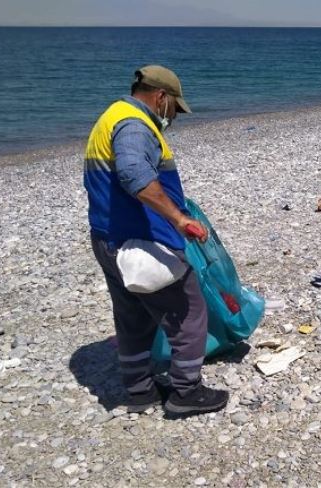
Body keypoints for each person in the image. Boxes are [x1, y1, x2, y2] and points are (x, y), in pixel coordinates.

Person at [83, 65, 228, 417]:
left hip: (107, 238)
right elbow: (135, 175)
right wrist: (178, 218)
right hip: (140, 241)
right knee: (190, 310)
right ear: (160, 97)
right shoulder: (134, 126)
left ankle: (139, 390)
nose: (174, 116)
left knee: (133, 314)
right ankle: (186, 391)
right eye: (174, 109)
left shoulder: (112, 116)